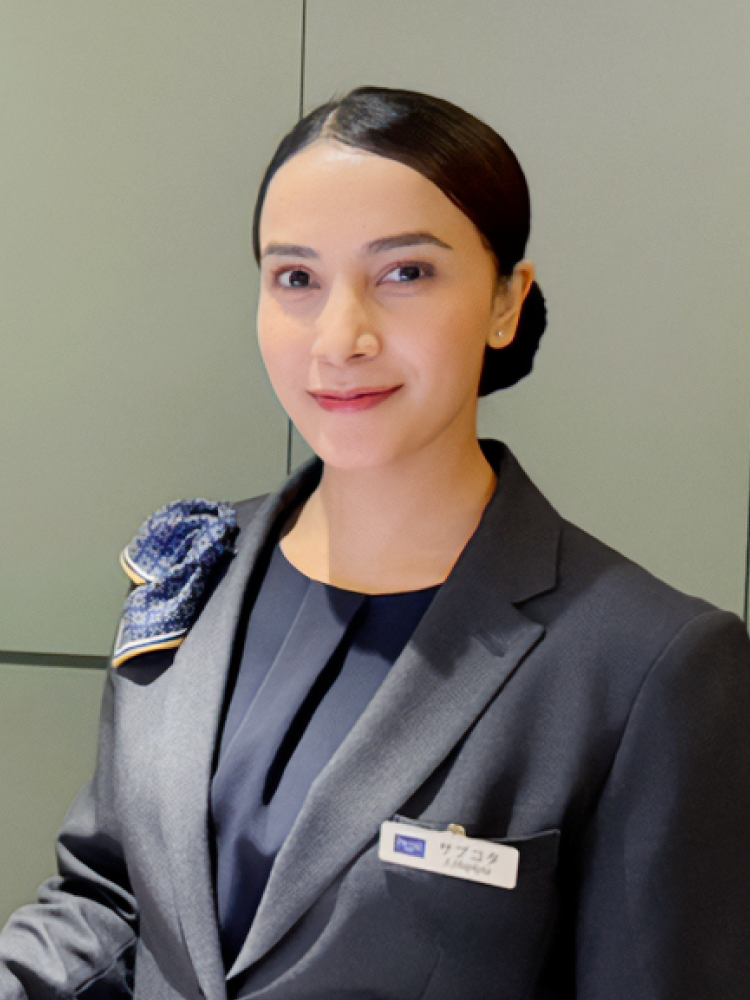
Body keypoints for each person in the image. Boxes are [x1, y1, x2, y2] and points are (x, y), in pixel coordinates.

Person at [1, 85, 749, 1000]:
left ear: (506, 302)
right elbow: (112, 899)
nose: (340, 338)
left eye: (405, 273)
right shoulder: (192, 566)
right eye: (296, 279)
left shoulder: (649, 665)